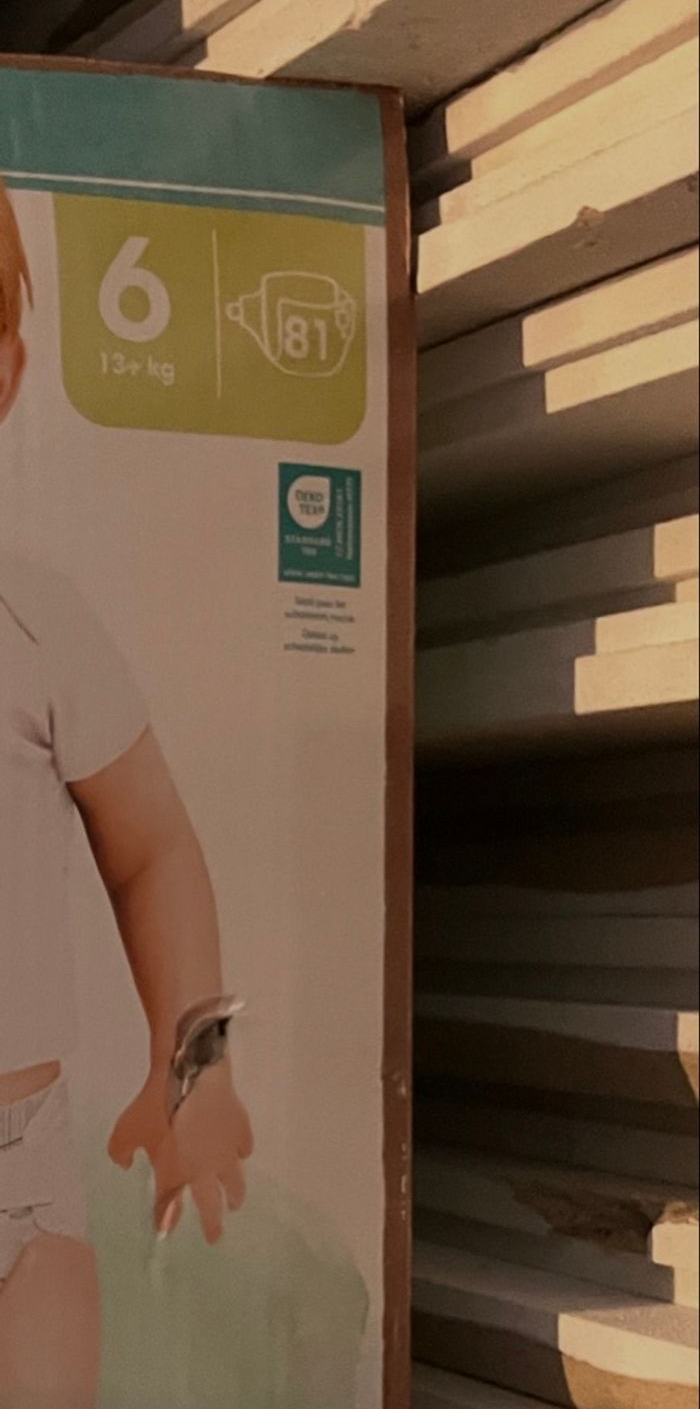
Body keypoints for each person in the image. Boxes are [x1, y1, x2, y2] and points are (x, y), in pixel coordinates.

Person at [0, 180, 253, 1409]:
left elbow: (152, 847)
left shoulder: (37, 621)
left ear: (4, 370)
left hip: (18, 1167)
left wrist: (194, 1073)